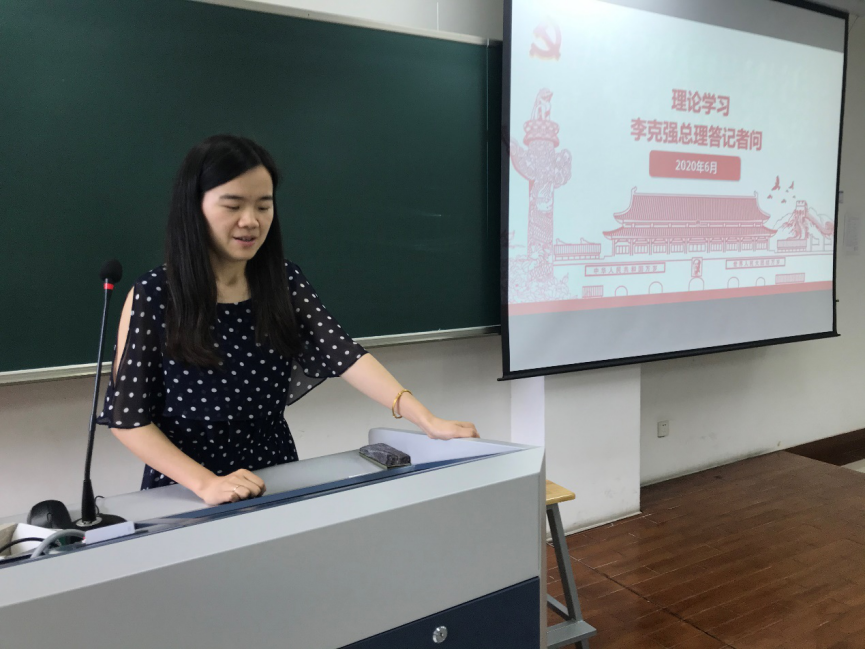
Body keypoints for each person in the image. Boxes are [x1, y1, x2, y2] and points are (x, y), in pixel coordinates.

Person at [97, 134, 478, 506]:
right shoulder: (155, 293)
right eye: (233, 206)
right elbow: (128, 419)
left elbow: (345, 354)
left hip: (276, 473)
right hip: (187, 488)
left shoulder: (283, 280)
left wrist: (426, 420)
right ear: (193, 207)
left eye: (263, 206)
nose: (251, 221)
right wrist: (206, 483)